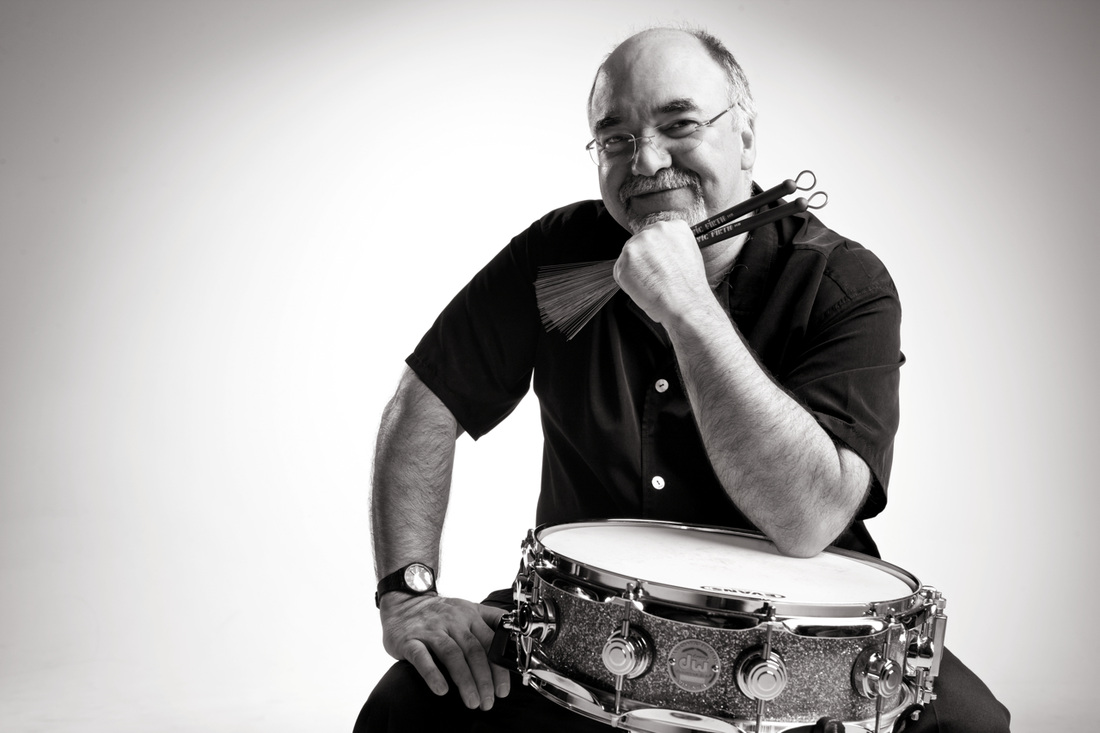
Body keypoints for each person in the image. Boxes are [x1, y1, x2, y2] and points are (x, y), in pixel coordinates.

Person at [356, 26, 1010, 733]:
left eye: (679, 125)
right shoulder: (554, 257)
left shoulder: (843, 283)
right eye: (616, 138)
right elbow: (423, 405)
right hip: (583, 634)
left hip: (803, 655)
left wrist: (688, 306)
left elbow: (809, 518)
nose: (646, 160)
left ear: (745, 137)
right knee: (404, 709)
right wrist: (408, 593)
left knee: (971, 726)